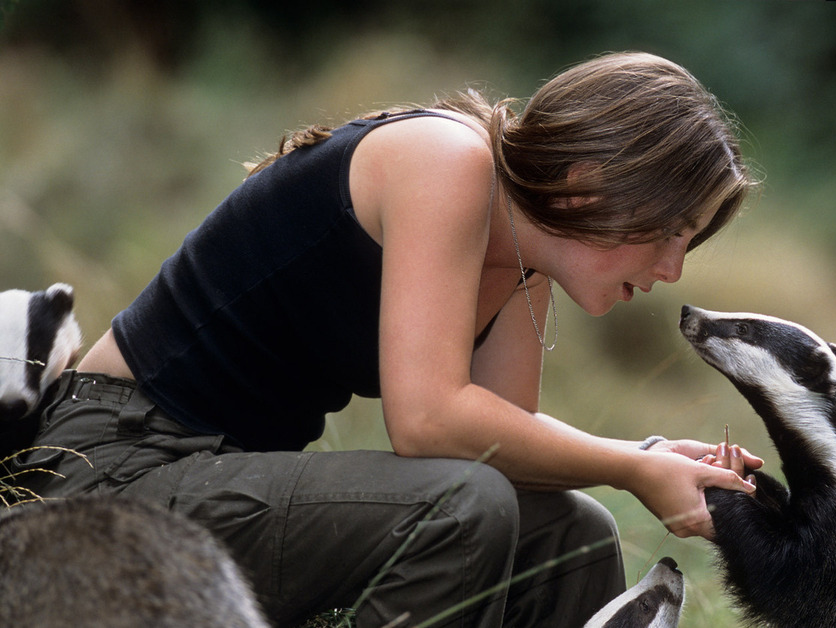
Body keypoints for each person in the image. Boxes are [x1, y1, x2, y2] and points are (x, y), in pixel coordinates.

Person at [12, 51, 761, 627]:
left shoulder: (524, 264)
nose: (670, 270)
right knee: (460, 507)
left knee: (573, 533)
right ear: (592, 181)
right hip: (110, 473)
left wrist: (647, 458)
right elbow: (431, 424)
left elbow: (502, 446)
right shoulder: (446, 162)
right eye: (668, 232)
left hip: (214, 478)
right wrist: (629, 469)